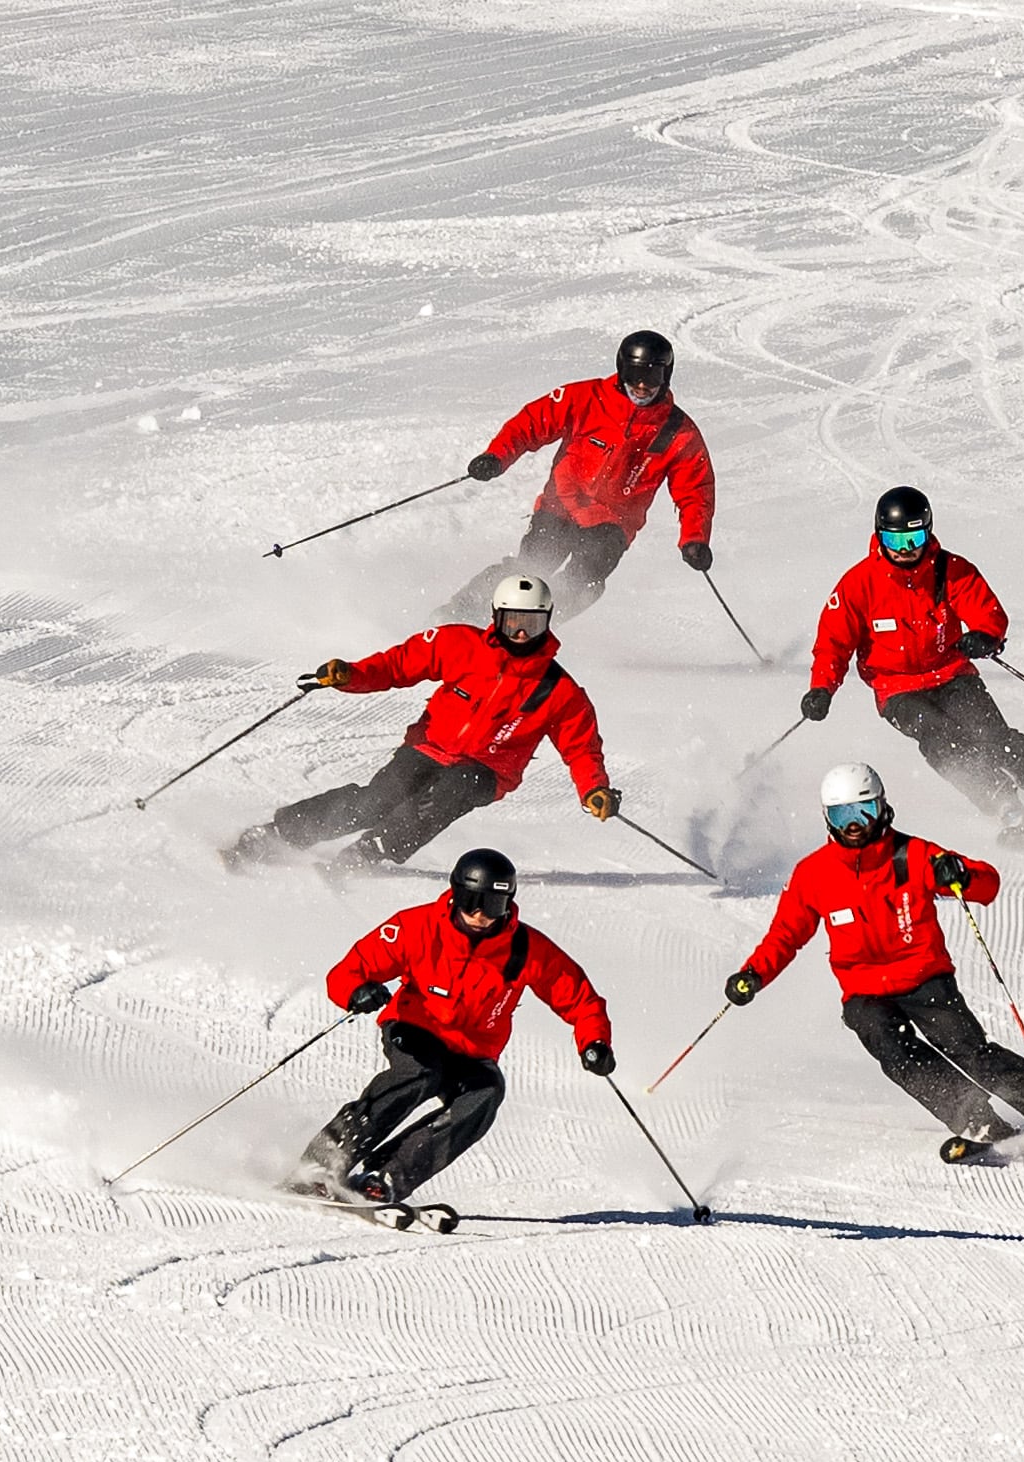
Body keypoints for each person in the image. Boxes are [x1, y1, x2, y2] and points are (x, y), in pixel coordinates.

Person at [722, 763, 1024, 1155]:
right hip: (865, 992)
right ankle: (974, 1117)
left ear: (882, 807)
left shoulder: (914, 855)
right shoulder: (814, 874)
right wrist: (753, 974)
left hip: (925, 978)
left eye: (863, 811)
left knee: (971, 1053)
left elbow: (987, 884)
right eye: (842, 815)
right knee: (896, 1055)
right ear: (828, 818)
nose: (854, 824)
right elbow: (785, 935)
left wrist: (959, 872)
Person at [224, 574, 620, 874]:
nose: (520, 632)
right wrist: (351, 675)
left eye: (531, 624)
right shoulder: (459, 645)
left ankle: (369, 852)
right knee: (376, 801)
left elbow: (580, 747)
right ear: (496, 617)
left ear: (547, 622)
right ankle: (278, 835)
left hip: (486, 769)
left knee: (452, 791)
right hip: (429, 747)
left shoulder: (559, 690)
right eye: (513, 620)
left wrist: (594, 790)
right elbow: (397, 665)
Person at [286, 847, 615, 1205]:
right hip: (415, 1026)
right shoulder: (417, 927)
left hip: (473, 1048)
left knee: (486, 1094)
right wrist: (358, 990)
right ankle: (322, 1163)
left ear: (508, 904)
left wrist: (594, 1041)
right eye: (471, 900)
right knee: (421, 1072)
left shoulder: (525, 948)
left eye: (492, 905)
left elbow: (580, 998)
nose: (479, 914)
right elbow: (347, 971)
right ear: (455, 893)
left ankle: (385, 1176)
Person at [800, 486, 1024, 842]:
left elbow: (987, 610)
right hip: (897, 688)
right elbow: (833, 642)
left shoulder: (949, 570)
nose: (907, 550)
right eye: (896, 540)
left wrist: (985, 636)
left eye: (915, 537)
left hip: (953, 674)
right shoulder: (858, 585)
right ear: (880, 536)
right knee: (940, 739)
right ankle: (1003, 802)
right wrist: (821, 688)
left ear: (929, 531)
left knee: (994, 737)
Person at [440, 330, 716, 622]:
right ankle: (458, 613)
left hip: (613, 523)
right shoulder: (586, 398)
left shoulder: (678, 432)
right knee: (530, 571)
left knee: (584, 580)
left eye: (653, 377)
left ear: (667, 376)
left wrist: (694, 539)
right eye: (634, 375)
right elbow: (531, 423)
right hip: (560, 506)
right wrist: (496, 457)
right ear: (622, 369)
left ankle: (534, 631)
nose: (642, 386)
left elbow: (695, 490)